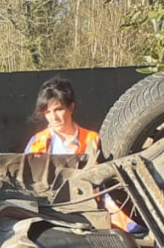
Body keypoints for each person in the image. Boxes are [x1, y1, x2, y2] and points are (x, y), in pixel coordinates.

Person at [24, 77, 140, 233]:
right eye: (48, 112)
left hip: (92, 206)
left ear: (71, 107)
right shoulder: (37, 142)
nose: (54, 117)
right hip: (51, 210)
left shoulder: (93, 139)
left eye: (58, 109)